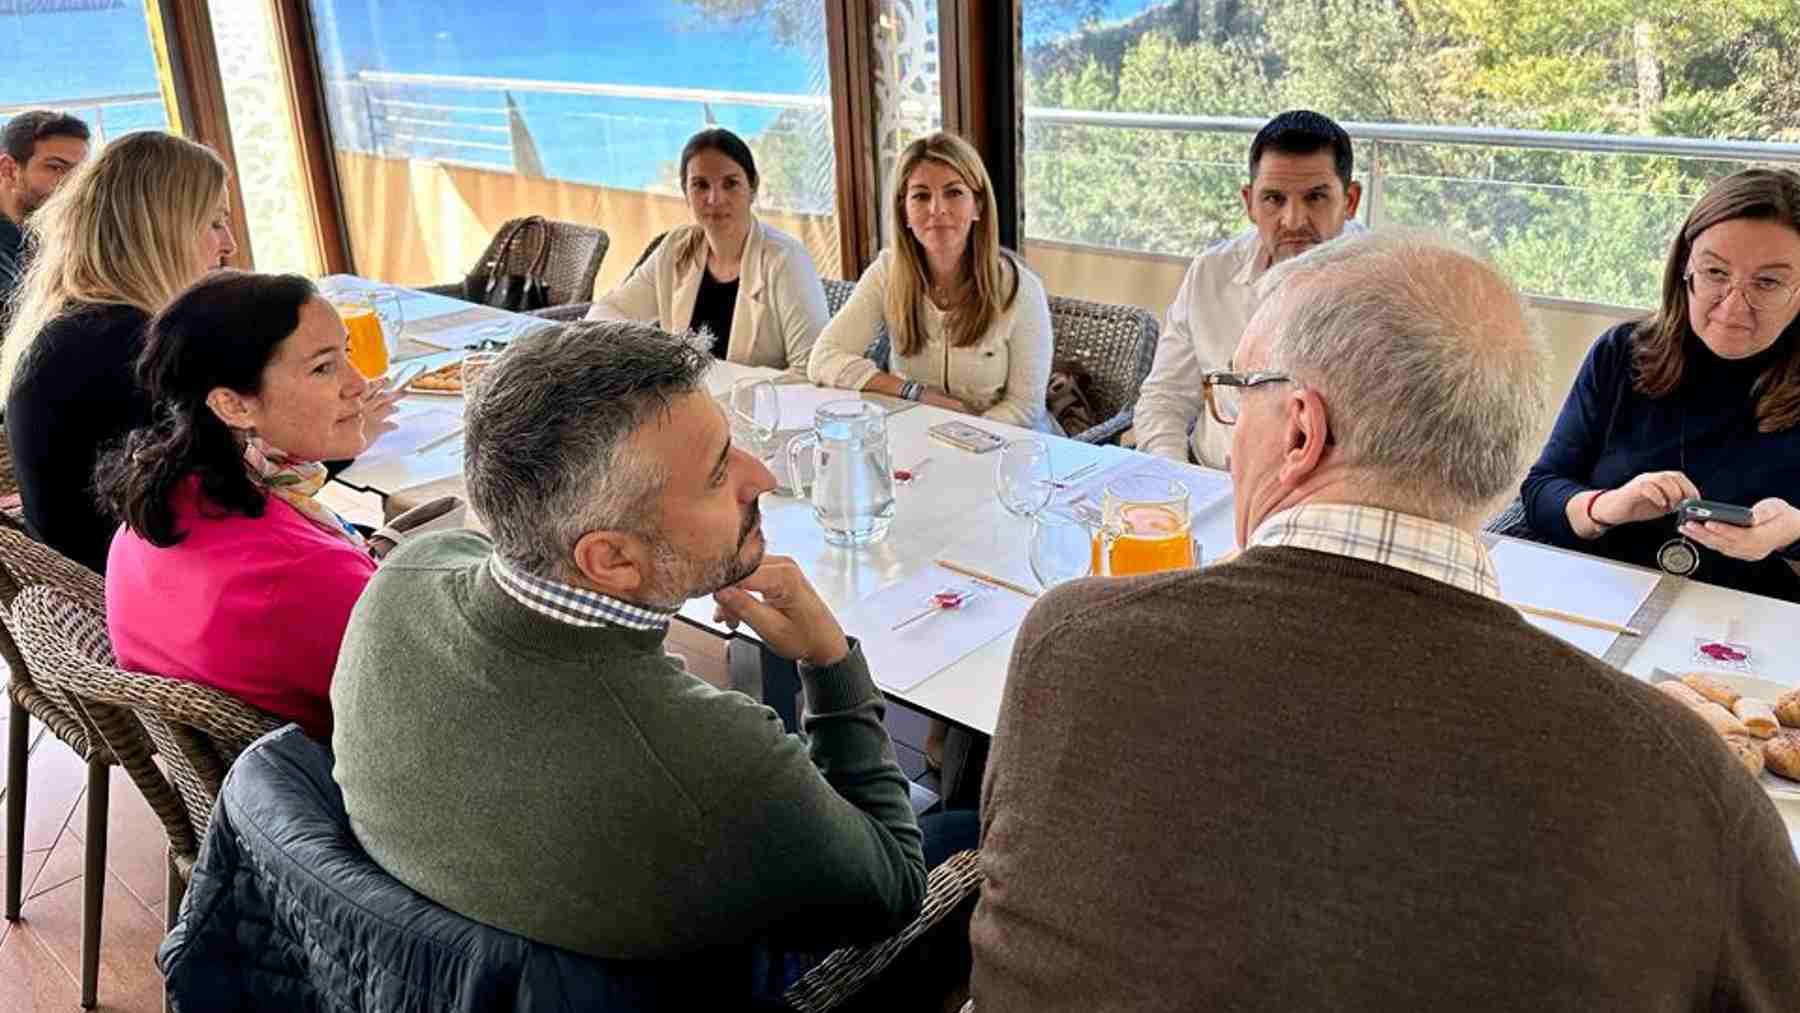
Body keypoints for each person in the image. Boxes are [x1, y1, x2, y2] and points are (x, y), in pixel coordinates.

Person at [970, 231, 1800, 1011]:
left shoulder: (1068, 644)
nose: (1229, 426)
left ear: (1300, 428)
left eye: (1237, 394)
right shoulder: (1684, 778)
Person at [331, 320, 976, 998]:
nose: (762, 477)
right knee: (965, 825)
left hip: (448, 961)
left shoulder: (400, 579)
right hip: (702, 975)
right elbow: (896, 886)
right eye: (719, 472)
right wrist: (829, 660)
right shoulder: (713, 759)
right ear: (610, 558)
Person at [1, 131, 398, 574]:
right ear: (156, 231)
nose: (229, 243)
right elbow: (231, 491)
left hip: (125, 581)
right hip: (171, 591)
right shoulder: (125, 348)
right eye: (213, 223)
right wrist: (343, 438)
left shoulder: (76, 323)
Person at [98, 271, 376, 738]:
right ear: (232, 405)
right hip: (334, 792)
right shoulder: (303, 570)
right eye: (323, 367)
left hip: (248, 785)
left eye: (346, 354)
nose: (360, 383)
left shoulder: (157, 504)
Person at [1522, 168, 1800, 602]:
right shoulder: (1623, 352)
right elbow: (1541, 490)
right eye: (1714, 272)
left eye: (1767, 282)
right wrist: (1605, 507)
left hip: (1744, 622)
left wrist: (1792, 530)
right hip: (1600, 596)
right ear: (1685, 268)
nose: (1732, 305)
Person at [1132, 109, 1363, 469]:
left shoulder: (1386, 289)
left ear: (1349, 201)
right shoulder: (1210, 273)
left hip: (1326, 500)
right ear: (1250, 203)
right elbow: (1165, 399)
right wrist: (1175, 477)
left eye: (1316, 197)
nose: (1294, 220)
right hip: (1212, 480)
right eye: (1274, 199)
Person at [808, 131, 1054, 432]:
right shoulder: (887, 272)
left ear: (978, 205)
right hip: (915, 440)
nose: (937, 209)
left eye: (954, 192)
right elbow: (823, 358)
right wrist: (913, 392)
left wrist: (959, 433)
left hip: (1005, 447)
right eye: (921, 196)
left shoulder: (1019, 288)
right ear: (905, 213)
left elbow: (1026, 407)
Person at [587, 127, 829, 374]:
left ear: (753, 188)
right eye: (700, 185)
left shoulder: (786, 259)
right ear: (686, 193)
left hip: (759, 409)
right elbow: (608, 311)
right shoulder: (676, 248)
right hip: (684, 403)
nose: (715, 199)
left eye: (730, 184)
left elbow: (812, 370)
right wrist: (646, 360)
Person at [0, 109, 90, 304]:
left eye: (80, 172)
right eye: (56, 167)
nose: (72, 184)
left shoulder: (46, 234)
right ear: (8, 168)